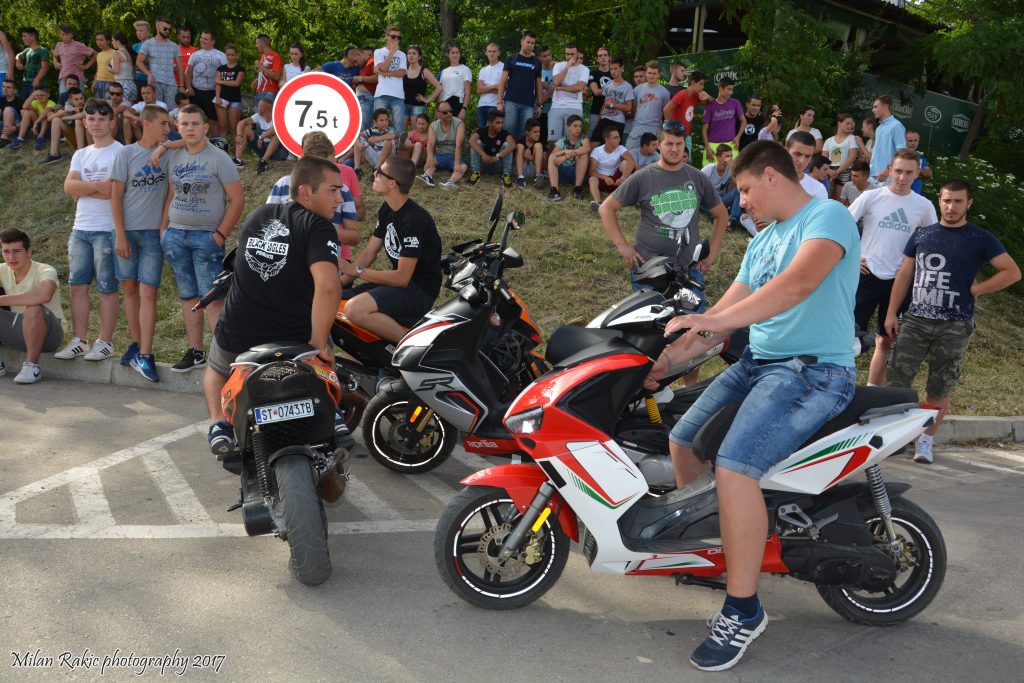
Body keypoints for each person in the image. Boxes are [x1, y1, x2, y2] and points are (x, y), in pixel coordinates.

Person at [645, 139, 859, 671]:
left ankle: (743, 609)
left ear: (771, 177)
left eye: (743, 190)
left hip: (812, 371)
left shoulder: (827, 216)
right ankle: (724, 550)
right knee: (683, 441)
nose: (741, 202)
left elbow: (799, 284)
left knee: (736, 467)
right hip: (757, 365)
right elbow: (719, 320)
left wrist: (715, 321)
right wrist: (659, 365)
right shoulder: (763, 241)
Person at [205, 156, 343, 454]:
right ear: (305, 191)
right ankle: (334, 412)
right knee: (328, 351)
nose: (339, 199)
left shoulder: (257, 215)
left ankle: (218, 424)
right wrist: (318, 343)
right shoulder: (318, 226)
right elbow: (329, 286)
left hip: (239, 337)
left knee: (216, 368)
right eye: (333, 190)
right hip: (294, 338)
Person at [885, 179, 1020, 463]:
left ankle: (925, 440)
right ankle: (894, 438)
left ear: (968, 203)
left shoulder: (980, 238)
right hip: (916, 321)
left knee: (939, 386)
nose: (951, 206)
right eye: (947, 200)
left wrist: (978, 289)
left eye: (958, 201)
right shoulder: (922, 234)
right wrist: (891, 313)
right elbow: (904, 275)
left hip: (955, 325)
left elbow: (1011, 272)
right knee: (897, 382)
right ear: (939, 201)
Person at [600, 120, 726, 306]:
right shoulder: (643, 177)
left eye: (679, 144)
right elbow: (606, 208)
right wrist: (622, 245)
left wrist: (711, 253)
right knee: (652, 321)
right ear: (659, 145)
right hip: (650, 269)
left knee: (691, 321)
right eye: (669, 143)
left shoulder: (698, 178)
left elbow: (721, 215)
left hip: (688, 270)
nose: (674, 149)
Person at [159, 105, 244, 372]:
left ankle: (221, 359)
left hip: (207, 237)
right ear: (178, 127)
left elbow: (237, 200)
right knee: (188, 296)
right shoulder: (175, 157)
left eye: (195, 123)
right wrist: (164, 230)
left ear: (206, 127)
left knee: (213, 299)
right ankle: (195, 352)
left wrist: (220, 235)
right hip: (175, 235)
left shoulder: (219, 158)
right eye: (184, 124)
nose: (190, 128)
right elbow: (171, 194)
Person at [849, 149, 938, 386]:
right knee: (847, 337)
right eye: (898, 171)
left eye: (908, 172)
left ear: (917, 174)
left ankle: (872, 392)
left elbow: (934, 244)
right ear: (889, 170)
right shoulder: (871, 197)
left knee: (885, 340)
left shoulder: (924, 206)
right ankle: (839, 386)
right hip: (865, 274)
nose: (902, 177)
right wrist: (851, 257)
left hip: (900, 281)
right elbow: (842, 224)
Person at [339, 156, 441, 344]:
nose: (374, 175)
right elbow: (370, 252)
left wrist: (357, 271)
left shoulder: (414, 219)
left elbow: (402, 278)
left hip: (419, 290)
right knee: (334, 300)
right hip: (400, 286)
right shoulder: (387, 209)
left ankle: (414, 351)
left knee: (355, 309)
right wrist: (340, 283)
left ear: (392, 183)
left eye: (379, 172)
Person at [55, 98, 123, 363]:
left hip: (107, 229)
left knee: (107, 287)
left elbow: (113, 191)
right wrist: (95, 187)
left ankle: (105, 342)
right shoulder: (80, 154)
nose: (96, 124)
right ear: (84, 122)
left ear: (112, 122)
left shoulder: (120, 152)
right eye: (91, 119)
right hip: (80, 229)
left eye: (102, 119)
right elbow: (68, 187)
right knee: (77, 286)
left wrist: (83, 188)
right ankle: (80, 340)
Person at [109, 104, 170, 381]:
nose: (168, 128)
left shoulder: (169, 153)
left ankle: (146, 353)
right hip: (127, 232)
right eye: (163, 123)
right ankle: (135, 344)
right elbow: (115, 196)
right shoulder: (126, 153)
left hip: (153, 235)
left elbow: (170, 193)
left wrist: (163, 226)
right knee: (130, 288)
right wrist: (120, 234)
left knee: (149, 292)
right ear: (146, 123)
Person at [266, 130, 361, 260]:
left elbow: (354, 237)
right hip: (286, 263)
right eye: (320, 167)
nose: (328, 172)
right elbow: (268, 223)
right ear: (304, 161)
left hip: (326, 261)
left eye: (331, 165)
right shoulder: (283, 185)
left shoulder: (341, 189)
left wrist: (324, 230)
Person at [0, 228, 66, 383]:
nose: (11, 257)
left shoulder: (45, 270)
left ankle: (32, 366)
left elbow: (44, 295)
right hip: (17, 331)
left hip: (49, 335)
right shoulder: (3, 269)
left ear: (28, 251)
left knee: (33, 307)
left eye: (17, 251)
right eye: (6, 252)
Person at [496, 31, 542, 139]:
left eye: (533, 43)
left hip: (529, 104)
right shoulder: (511, 59)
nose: (530, 45)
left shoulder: (537, 62)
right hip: (511, 102)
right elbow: (503, 81)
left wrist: (539, 105)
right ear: (522, 42)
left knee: (525, 135)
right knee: (508, 133)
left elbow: (539, 84)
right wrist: (499, 102)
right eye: (528, 42)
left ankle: (520, 151)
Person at [184, 30, 226, 137]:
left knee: (213, 120)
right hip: (195, 92)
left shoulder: (221, 56)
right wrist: (188, 87)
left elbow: (226, 74)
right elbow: (188, 71)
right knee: (193, 118)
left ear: (213, 41)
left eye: (206, 39)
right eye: (202, 38)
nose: (202, 40)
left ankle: (215, 142)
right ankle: (194, 140)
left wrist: (221, 93)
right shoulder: (195, 54)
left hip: (212, 92)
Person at [136, 16, 183, 107]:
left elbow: (180, 67)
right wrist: (149, 74)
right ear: (157, 26)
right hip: (155, 83)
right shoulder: (148, 43)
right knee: (156, 110)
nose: (167, 31)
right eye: (165, 28)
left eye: (169, 29)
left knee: (172, 110)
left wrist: (181, 85)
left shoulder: (174, 46)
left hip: (171, 84)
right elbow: (138, 61)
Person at [547, 43, 589, 145]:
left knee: (571, 141)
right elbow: (556, 82)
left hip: (575, 108)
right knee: (553, 141)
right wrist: (567, 67)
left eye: (572, 54)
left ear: (578, 53)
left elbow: (579, 87)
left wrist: (561, 87)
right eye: (567, 54)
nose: (569, 56)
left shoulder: (584, 69)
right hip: (556, 108)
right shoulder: (558, 66)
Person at [418, 102, 467, 188]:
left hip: (455, 157)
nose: (449, 114)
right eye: (445, 112)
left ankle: (450, 182)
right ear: (438, 114)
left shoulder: (459, 123)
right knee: (431, 160)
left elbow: (459, 145)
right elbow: (430, 144)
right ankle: (427, 177)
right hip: (440, 156)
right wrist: (429, 158)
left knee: (463, 166)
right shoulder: (433, 126)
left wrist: (456, 164)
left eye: (450, 111)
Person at [231, 96, 286, 173]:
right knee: (245, 128)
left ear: (262, 109)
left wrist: (261, 137)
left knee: (277, 136)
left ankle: (264, 162)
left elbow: (277, 129)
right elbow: (241, 123)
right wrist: (239, 135)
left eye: (258, 106)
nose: (257, 108)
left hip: (278, 153)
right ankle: (238, 160)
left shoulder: (278, 117)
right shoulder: (259, 116)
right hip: (262, 147)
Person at [662, 70, 710, 157]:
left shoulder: (696, 95)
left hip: (686, 136)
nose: (703, 87)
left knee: (686, 162)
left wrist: (708, 97)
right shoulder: (682, 94)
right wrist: (672, 130)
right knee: (675, 160)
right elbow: (666, 110)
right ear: (693, 83)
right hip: (676, 136)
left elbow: (712, 102)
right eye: (701, 84)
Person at [700, 76, 745, 168]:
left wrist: (738, 137)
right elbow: (704, 129)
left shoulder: (735, 103)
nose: (731, 92)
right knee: (708, 172)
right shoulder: (710, 106)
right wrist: (707, 147)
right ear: (720, 89)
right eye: (729, 89)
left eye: (732, 89)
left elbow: (743, 121)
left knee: (733, 173)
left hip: (731, 144)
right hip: (713, 145)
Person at [587, 127, 635, 211]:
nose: (619, 140)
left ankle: (632, 198)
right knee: (592, 179)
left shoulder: (620, 148)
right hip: (602, 180)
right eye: (615, 138)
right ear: (606, 139)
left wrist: (623, 178)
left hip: (616, 181)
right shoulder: (597, 151)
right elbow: (591, 172)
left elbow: (631, 161)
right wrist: (605, 177)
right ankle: (597, 202)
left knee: (625, 163)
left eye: (619, 137)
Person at [625, 60, 669, 150]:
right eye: (649, 73)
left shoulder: (665, 92)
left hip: (654, 130)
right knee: (629, 154)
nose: (651, 76)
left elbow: (665, 113)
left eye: (654, 73)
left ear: (659, 74)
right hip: (637, 128)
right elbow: (633, 109)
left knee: (651, 157)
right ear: (645, 73)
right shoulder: (637, 90)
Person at [823, 113, 867, 201]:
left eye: (851, 124)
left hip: (845, 171)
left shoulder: (852, 138)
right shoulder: (828, 141)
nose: (850, 126)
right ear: (839, 123)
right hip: (829, 170)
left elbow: (852, 158)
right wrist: (829, 171)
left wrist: (837, 172)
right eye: (847, 123)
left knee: (841, 200)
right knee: (826, 198)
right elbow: (823, 159)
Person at [546, 114, 590, 201]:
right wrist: (564, 151)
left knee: (584, 155)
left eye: (580, 126)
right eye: (575, 126)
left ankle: (577, 189)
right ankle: (554, 190)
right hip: (562, 172)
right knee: (552, 157)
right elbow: (553, 155)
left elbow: (587, 148)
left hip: (577, 173)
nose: (578, 128)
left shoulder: (584, 138)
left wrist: (566, 156)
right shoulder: (563, 140)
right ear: (568, 127)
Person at [468, 109, 516, 187]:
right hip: (483, 163)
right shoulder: (482, 131)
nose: (501, 125)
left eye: (502, 123)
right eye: (498, 123)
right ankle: (475, 173)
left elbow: (513, 144)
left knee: (507, 144)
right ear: (490, 123)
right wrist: (484, 155)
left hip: (497, 164)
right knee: (477, 142)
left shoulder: (504, 133)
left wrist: (498, 156)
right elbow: (471, 141)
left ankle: (506, 175)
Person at [591, 57, 633, 144]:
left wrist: (612, 105)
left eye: (615, 68)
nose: (613, 71)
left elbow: (629, 108)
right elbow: (604, 103)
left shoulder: (627, 87)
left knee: (613, 147)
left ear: (622, 68)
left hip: (617, 121)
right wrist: (599, 119)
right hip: (604, 119)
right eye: (611, 69)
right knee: (593, 144)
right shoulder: (608, 84)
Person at [373, 25, 407, 130]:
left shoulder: (402, 54)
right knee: (378, 127)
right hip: (381, 93)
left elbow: (402, 73)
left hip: (398, 95)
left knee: (398, 128)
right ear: (386, 36)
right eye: (393, 36)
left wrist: (384, 72)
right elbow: (383, 67)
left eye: (398, 37)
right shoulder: (378, 52)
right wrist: (392, 52)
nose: (396, 39)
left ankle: (396, 142)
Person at [39, 86, 86, 163]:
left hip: (88, 139)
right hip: (74, 137)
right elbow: (49, 118)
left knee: (78, 121)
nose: (80, 101)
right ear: (70, 100)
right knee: (56, 120)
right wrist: (66, 111)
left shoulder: (87, 105)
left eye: (81, 98)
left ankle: (81, 154)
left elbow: (82, 115)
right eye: (76, 99)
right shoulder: (68, 106)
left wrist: (66, 118)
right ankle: (54, 154)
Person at [701, 143, 743, 228]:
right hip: (708, 203)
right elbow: (697, 188)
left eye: (731, 156)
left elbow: (739, 185)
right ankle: (716, 215)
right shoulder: (709, 169)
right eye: (727, 156)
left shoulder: (729, 170)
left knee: (737, 191)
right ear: (718, 157)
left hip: (721, 201)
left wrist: (732, 170)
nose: (730, 158)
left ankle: (732, 220)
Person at [401, 44, 439, 131]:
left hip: (417, 107)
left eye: (414, 53)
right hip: (403, 105)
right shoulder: (404, 70)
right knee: (400, 133)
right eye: (409, 53)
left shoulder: (424, 71)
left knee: (417, 134)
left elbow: (439, 87)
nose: (411, 55)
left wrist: (428, 100)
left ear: (419, 57)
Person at [869, 95, 906, 181]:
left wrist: (888, 168)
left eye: (875, 107)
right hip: (874, 175)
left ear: (885, 107)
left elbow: (902, 152)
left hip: (888, 175)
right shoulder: (879, 128)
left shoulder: (896, 126)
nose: (873, 110)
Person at [52, 25, 96, 95]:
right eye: (62, 34)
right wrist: (55, 61)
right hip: (63, 78)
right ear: (59, 35)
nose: (65, 37)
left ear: (71, 34)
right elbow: (54, 55)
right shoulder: (59, 45)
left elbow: (95, 54)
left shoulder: (78, 45)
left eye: (67, 34)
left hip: (77, 79)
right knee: (64, 100)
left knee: (78, 99)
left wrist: (86, 66)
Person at [214, 44, 244, 144]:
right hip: (221, 99)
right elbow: (217, 84)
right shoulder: (221, 68)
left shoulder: (240, 69)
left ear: (236, 55)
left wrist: (220, 81)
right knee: (222, 127)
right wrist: (217, 97)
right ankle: (223, 151)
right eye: (228, 55)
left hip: (235, 100)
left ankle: (236, 153)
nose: (230, 57)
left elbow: (237, 83)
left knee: (234, 129)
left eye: (232, 55)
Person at [786, 131, 828, 200]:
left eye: (807, 156)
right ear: (786, 150)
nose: (802, 160)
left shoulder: (818, 189)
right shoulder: (768, 180)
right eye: (797, 154)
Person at [353, 107, 397, 172]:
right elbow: (357, 134)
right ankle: (357, 169)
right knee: (358, 139)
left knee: (389, 140)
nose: (384, 122)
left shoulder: (389, 129)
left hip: (387, 159)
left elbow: (393, 135)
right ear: (375, 122)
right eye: (381, 120)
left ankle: (377, 168)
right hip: (375, 157)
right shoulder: (373, 130)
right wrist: (358, 143)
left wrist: (375, 139)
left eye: (386, 120)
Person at [437, 41, 471, 121]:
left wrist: (464, 109)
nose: (455, 55)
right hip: (443, 104)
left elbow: (468, 91)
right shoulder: (444, 72)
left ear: (460, 54)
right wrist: (437, 109)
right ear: (448, 54)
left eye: (457, 52)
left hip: (457, 103)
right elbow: (440, 92)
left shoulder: (465, 69)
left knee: (456, 127)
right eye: (452, 53)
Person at [475, 42, 503, 132]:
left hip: (495, 105)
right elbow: (479, 89)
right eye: (489, 51)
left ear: (498, 53)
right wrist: (495, 86)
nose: (492, 53)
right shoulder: (483, 70)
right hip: (481, 105)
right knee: (481, 132)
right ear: (486, 53)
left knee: (493, 132)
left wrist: (485, 88)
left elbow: (502, 88)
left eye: (494, 51)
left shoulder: (504, 67)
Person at [15, 28, 49, 100]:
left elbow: (45, 67)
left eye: (24, 36)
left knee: (35, 104)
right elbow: (18, 55)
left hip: (38, 84)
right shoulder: (27, 50)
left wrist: (36, 80)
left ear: (33, 37)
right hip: (25, 82)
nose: (22, 38)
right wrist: (17, 62)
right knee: (25, 103)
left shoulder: (42, 50)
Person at [514, 117, 545, 188]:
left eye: (539, 132)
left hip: (535, 170)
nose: (538, 134)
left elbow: (545, 166)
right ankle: (520, 178)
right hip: (520, 169)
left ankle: (538, 178)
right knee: (519, 146)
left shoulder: (540, 142)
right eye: (535, 132)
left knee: (538, 145)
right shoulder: (520, 140)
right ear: (527, 132)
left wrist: (531, 158)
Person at [251, 34, 282, 104]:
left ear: (262, 43)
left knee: (267, 111)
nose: (256, 46)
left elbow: (277, 76)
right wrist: (256, 80)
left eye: (257, 43)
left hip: (269, 93)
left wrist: (261, 67)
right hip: (259, 92)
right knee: (257, 111)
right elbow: (265, 73)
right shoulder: (262, 56)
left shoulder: (276, 56)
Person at [587, 47, 612, 135]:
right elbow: (596, 91)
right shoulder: (593, 73)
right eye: (600, 56)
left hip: (613, 112)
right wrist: (614, 89)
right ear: (597, 59)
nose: (603, 57)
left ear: (609, 57)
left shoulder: (615, 73)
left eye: (605, 55)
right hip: (596, 112)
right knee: (593, 138)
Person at [109, 32, 137, 104]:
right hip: (132, 85)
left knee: (118, 107)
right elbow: (134, 72)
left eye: (112, 40)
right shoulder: (130, 53)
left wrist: (108, 68)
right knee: (130, 107)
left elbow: (116, 70)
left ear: (118, 41)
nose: (112, 42)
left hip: (121, 85)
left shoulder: (117, 53)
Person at [904, 130, 932, 195]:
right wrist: (920, 172)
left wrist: (911, 171)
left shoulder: (921, 157)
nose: (913, 143)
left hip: (916, 194)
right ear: (904, 141)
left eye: (915, 140)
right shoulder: (899, 157)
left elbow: (929, 174)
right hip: (901, 194)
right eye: (910, 141)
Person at [91, 31, 116, 101]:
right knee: (98, 103)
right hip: (98, 82)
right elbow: (98, 70)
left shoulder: (114, 53)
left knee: (108, 103)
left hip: (110, 82)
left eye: (101, 40)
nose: (99, 42)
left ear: (108, 41)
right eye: (97, 40)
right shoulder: (99, 55)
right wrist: (94, 83)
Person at [0, 77, 24, 146]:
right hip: (4, 127)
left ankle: (5, 138)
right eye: (3, 86)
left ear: (15, 91)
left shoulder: (20, 101)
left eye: (8, 87)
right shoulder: (1, 100)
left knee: (8, 109)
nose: (5, 89)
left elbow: (26, 120)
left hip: (17, 128)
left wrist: (15, 128)